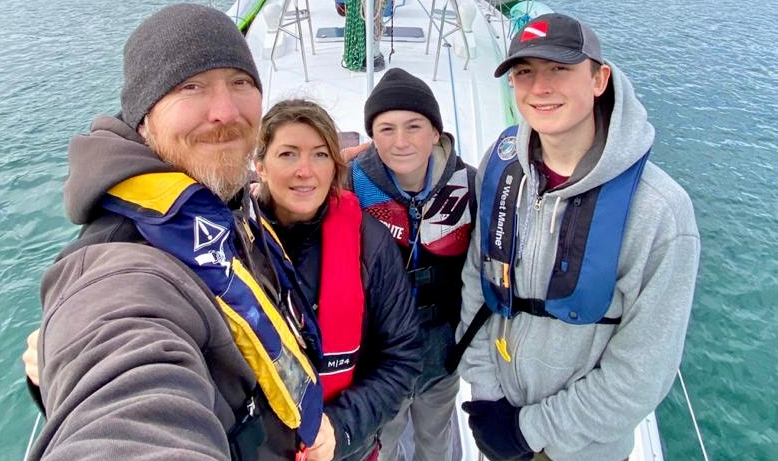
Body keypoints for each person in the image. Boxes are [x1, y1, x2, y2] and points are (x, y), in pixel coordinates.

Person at [29, 5, 329, 461]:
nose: (226, 112)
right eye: (191, 86)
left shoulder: (213, 201)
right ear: (144, 116)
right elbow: (128, 413)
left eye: (241, 82)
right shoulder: (119, 272)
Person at [456, 13, 701, 461]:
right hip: (498, 418)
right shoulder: (500, 163)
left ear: (599, 79)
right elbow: (478, 280)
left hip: (581, 446)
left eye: (560, 69)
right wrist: (485, 394)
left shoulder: (659, 212)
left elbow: (642, 371)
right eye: (524, 72)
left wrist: (530, 431)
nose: (540, 87)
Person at [253, 99, 422, 461]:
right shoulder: (232, 244)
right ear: (260, 166)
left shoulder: (369, 243)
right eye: (287, 154)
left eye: (320, 155)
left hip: (347, 448)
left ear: (334, 167)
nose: (305, 170)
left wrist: (341, 427)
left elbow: (401, 357)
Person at [348, 68, 476, 461]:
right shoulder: (349, 185)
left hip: (442, 355)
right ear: (372, 135)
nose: (400, 141)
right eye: (386, 129)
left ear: (436, 132)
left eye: (414, 126)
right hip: (380, 360)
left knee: (435, 439)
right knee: (383, 441)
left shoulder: (470, 185)